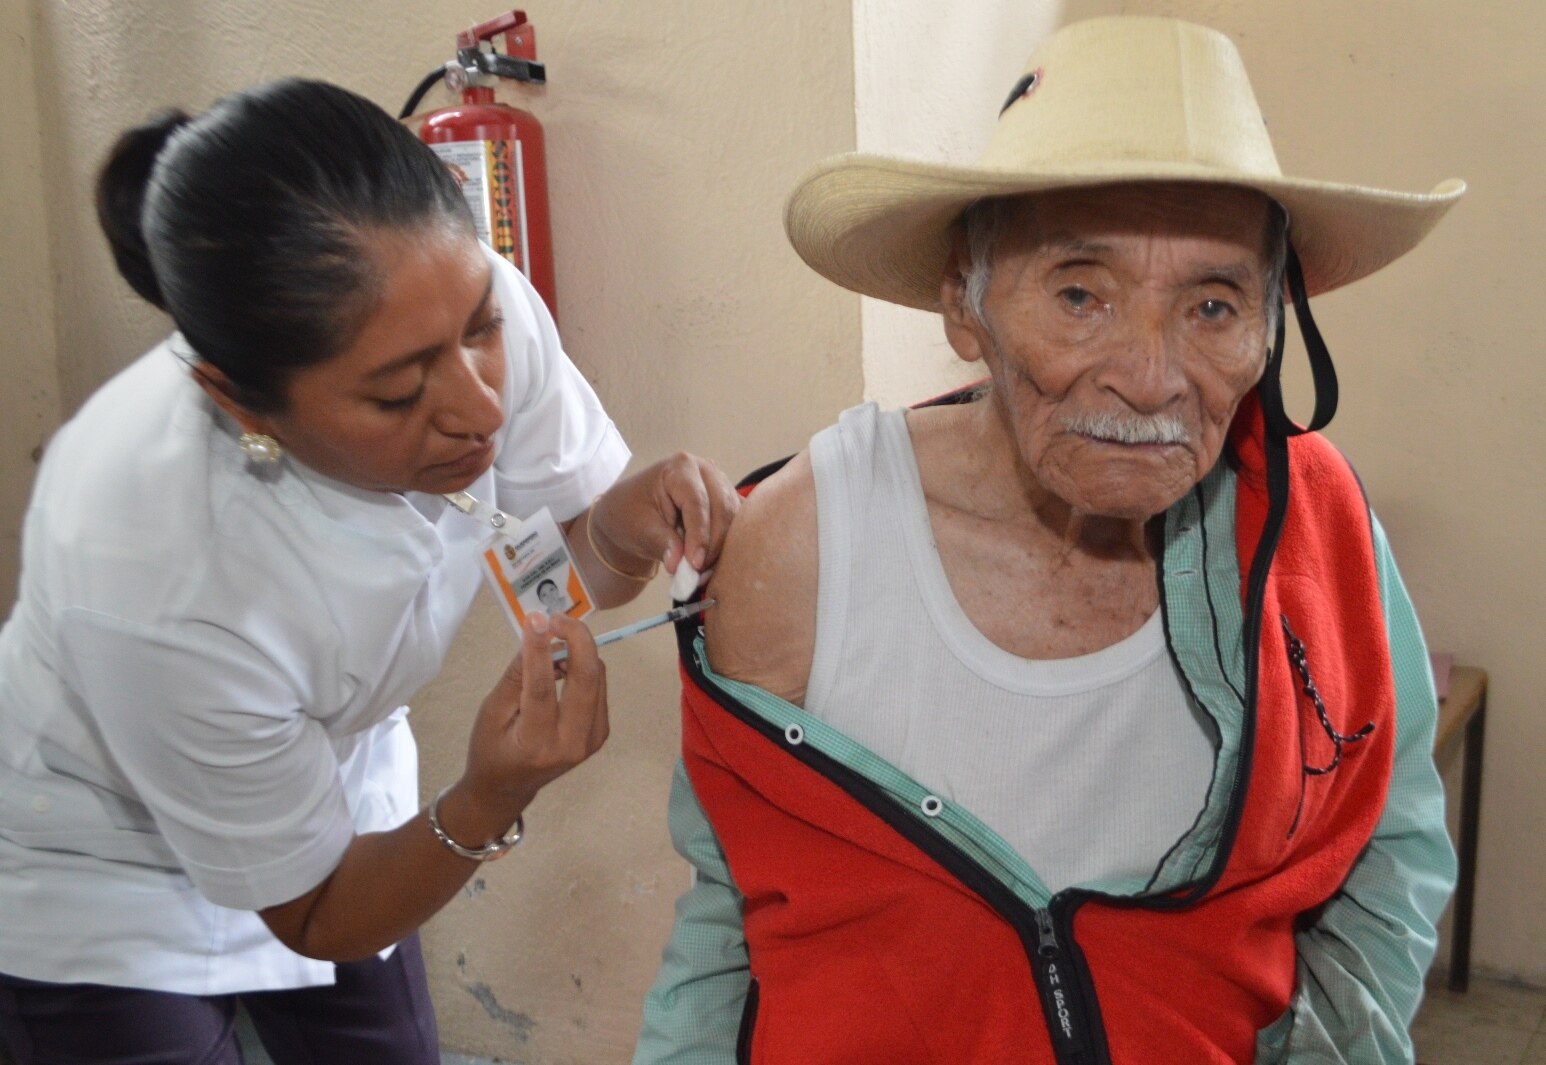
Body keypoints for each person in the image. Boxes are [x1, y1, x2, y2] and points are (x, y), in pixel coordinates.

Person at [634, 16, 1463, 1065]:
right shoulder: (804, 541)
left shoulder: (1318, 536)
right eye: (1080, 294)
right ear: (962, 306)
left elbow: (1387, 856)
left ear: (1271, 325)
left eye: (1213, 305)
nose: (1150, 375)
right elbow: (730, 914)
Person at [0, 78, 739, 1064]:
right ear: (238, 401)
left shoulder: (456, 301)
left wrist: (632, 521)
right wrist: (487, 795)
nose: (479, 409)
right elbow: (315, 913)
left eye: (480, 330)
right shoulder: (150, 564)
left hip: (329, 793)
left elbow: (579, 571)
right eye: (397, 394)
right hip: (107, 865)